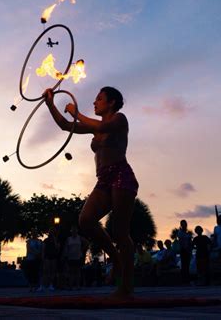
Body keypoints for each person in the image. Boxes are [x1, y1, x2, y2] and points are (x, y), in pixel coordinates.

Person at [44, 86, 138, 298]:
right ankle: (115, 259)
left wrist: (76, 112)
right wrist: (50, 103)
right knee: (85, 220)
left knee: (121, 232)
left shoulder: (119, 119)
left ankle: (127, 286)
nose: (94, 103)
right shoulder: (93, 126)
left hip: (122, 176)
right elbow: (65, 125)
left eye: (99, 99)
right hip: (103, 180)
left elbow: (102, 127)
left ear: (111, 102)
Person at [63, 225, 84, 290]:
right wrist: (65, 255)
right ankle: (71, 286)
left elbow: (86, 243)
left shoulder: (80, 238)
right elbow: (66, 247)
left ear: (77, 231)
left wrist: (82, 250)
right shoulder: (68, 239)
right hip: (70, 257)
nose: (74, 232)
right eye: (73, 231)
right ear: (71, 232)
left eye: (75, 230)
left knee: (77, 272)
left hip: (78, 257)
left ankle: (77, 286)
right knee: (71, 272)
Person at [178, 220, 193, 284]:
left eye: (185, 224)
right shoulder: (180, 232)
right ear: (181, 225)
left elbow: (190, 242)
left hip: (188, 251)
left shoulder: (187, 233)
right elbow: (182, 242)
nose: (185, 225)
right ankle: (184, 280)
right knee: (184, 265)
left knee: (187, 265)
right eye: (183, 224)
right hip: (183, 251)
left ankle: (186, 280)